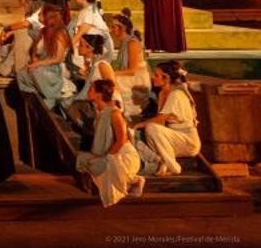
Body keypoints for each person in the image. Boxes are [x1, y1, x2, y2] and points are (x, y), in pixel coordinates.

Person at [75, 79, 145, 207]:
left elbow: (122, 139)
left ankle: (132, 181)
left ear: (99, 94)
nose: (88, 92)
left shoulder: (114, 113)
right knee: (82, 159)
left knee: (100, 163)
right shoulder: (101, 113)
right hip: (112, 153)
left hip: (123, 155)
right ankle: (127, 182)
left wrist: (107, 157)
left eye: (91, 89)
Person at [135, 61, 201, 176]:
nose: (153, 77)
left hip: (187, 140)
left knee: (151, 128)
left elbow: (160, 120)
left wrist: (137, 125)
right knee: (148, 132)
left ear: (166, 79)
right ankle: (164, 163)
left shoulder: (176, 95)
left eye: (156, 75)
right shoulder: (162, 94)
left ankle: (173, 166)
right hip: (172, 138)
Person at [16, 6, 74, 110]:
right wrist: (34, 59)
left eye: (40, 14)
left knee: (37, 71)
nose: (38, 16)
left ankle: (51, 97)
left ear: (48, 17)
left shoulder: (60, 33)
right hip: (42, 64)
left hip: (54, 67)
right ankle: (35, 96)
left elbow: (58, 58)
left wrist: (38, 64)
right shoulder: (43, 31)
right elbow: (35, 49)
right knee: (22, 73)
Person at [108, 8, 151, 118]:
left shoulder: (132, 43)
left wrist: (112, 72)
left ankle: (120, 110)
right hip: (131, 76)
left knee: (110, 80)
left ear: (122, 28)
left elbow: (132, 71)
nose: (111, 30)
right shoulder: (124, 42)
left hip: (138, 79)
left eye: (113, 27)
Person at [69, 0, 114, 72]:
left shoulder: (89, 11)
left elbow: (80, 34)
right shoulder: (87, 9)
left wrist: (66, 48)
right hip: (90, 47)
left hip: (98, 50)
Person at [72, 33, 120, 105]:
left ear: (90, 48)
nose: (78, 46)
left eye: (81, 45)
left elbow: (113, 89)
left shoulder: (102, 65)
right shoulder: (91, 65)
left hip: (108, 105)